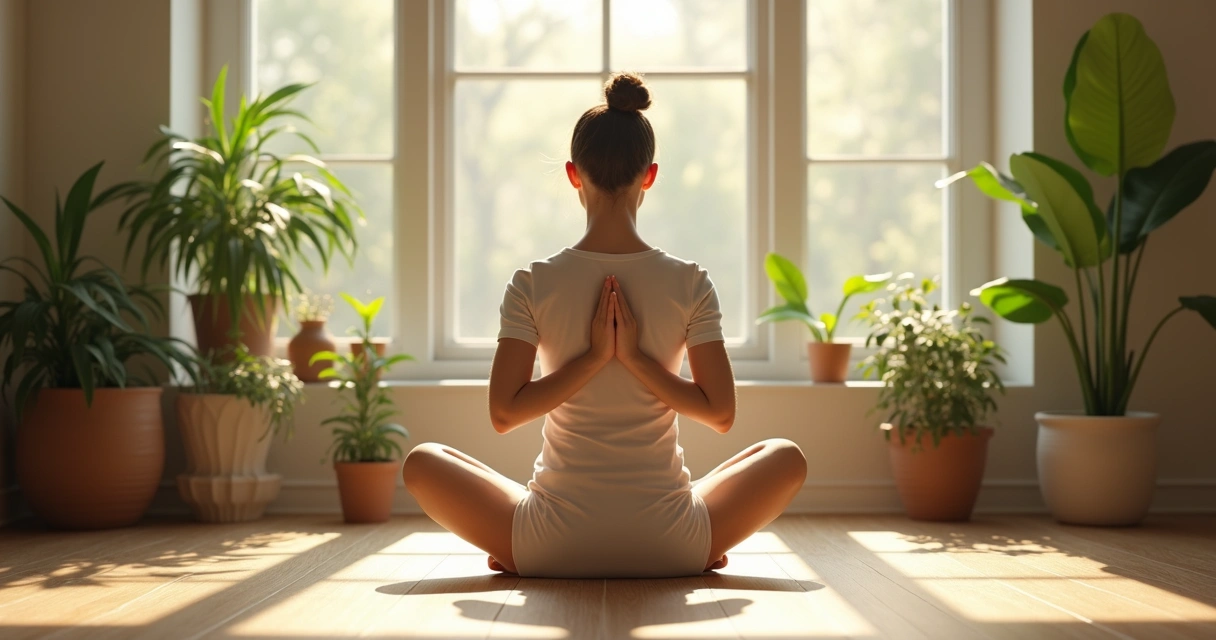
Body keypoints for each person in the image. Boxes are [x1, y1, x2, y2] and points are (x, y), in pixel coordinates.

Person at [402, 72, 807, 579]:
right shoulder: (690, 282)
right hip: (672, 542)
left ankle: (514, 549)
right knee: (785, 457)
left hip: (548, 543)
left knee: (422, 460)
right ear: (650, 175)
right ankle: (701, 547)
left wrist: (595, 358)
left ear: (574, 174)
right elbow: (720, 414)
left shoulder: (532, 282)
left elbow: (504, 414)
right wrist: (633, 359)